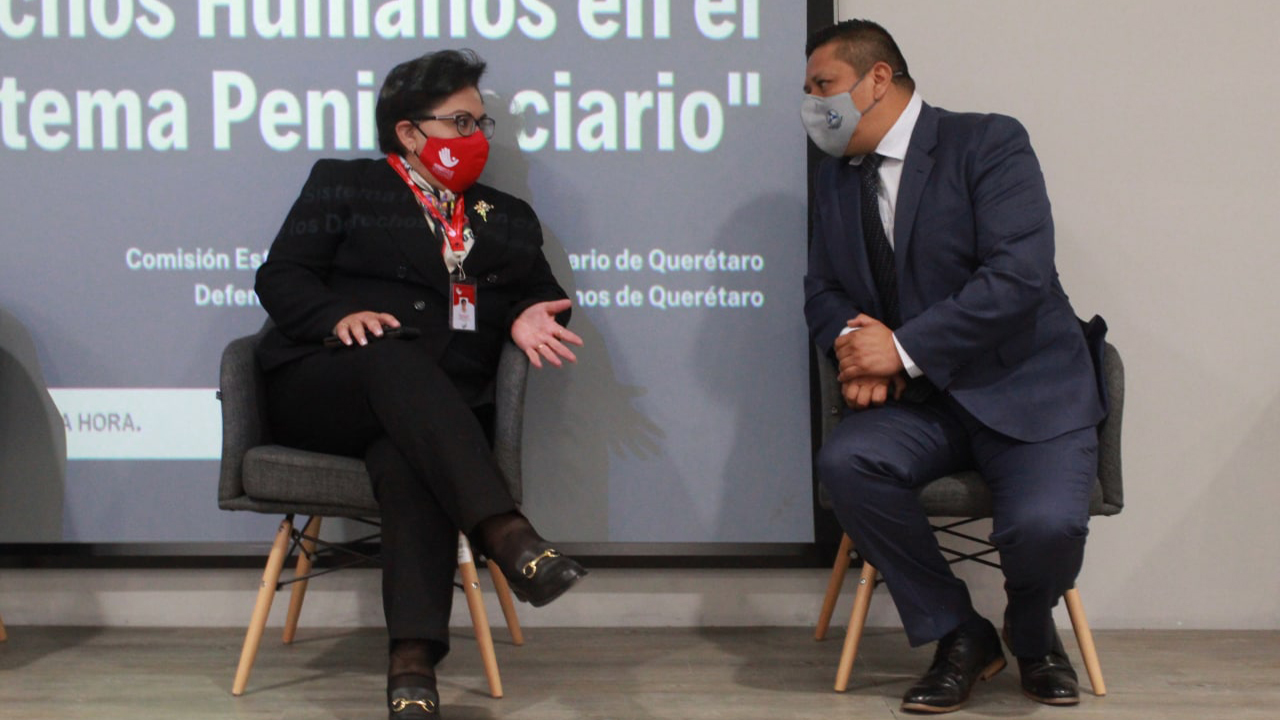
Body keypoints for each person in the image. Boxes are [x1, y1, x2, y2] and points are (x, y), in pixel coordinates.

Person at [254, 49, 587, 719]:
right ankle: (506, 533)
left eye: (481, 123)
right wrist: (338, 316)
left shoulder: (506, 216)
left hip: (431, 415)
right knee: (389, 351)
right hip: (330, 389)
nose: (476, 137)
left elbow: (542, 295)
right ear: (408, 131)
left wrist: (526, 314)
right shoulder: (346, 184)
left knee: (408, 459)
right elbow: (281, 276)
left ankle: (412, 665)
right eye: (460, 122)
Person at [801, 20, 1106, 714]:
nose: (813, 105)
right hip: (923, 406)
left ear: (877, 79)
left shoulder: (988, 143)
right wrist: (857, 347)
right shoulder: (835, 179)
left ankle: (1031, 634)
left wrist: (902, 349)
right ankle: (960, 634)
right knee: (848, 463)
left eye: (824, 85)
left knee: (1047, 529)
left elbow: (1018, 277)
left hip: (1028, 389)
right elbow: (823, 290)